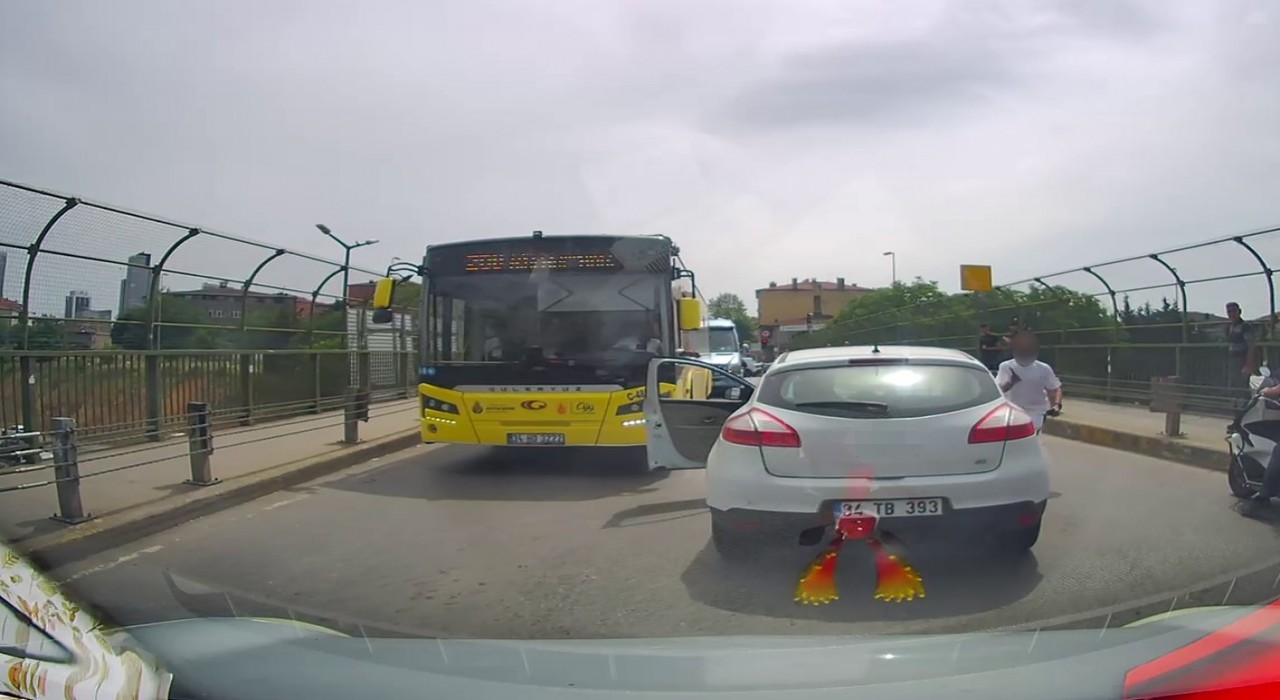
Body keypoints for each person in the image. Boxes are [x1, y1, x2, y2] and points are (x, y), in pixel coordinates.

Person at [995, 330, 1063, 433]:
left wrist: (1056, 405)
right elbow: (998, 390)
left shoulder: (1043, 368)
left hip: (1036, 412)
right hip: (1012, 412)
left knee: (1030, 436)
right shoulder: (1006, 367)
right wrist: (1010, 383)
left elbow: (1054, 389)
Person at [1225, 302, 1258, 393]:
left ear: (1239, 312)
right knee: (1233, 384)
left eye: (1233, 311)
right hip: (1233, 359)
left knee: (1242, 385)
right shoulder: (1230, 327)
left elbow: (1251, 346)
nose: (1231, 314)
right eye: (1229, 312)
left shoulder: (1245, 327)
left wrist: (1248, 365)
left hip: (1242, 359)